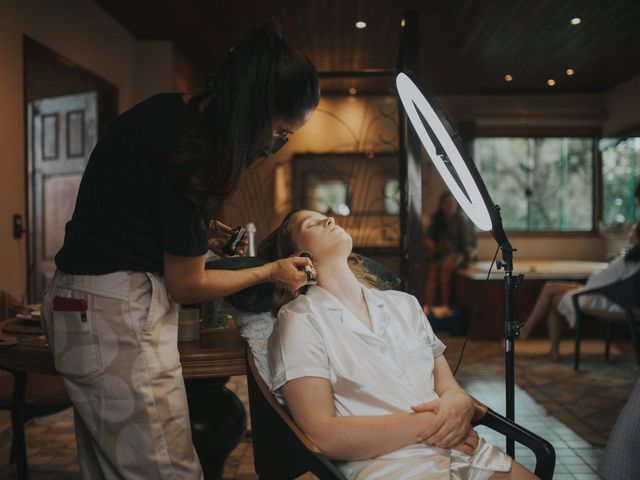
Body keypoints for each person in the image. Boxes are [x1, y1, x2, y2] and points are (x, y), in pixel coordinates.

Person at [39, 25, 320, 479]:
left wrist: (194, 235)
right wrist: (268, 272)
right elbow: (188, 283)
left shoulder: (173, 115)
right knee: (165, 469)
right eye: (278, 133)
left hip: (84, 304)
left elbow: (139, 216)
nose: (273, 146)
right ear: (256, 111)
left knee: (116, 468)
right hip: (110, 315)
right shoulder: (192, 151)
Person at [259, 210, 536, 480]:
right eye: (313, 223)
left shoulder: (405, 305)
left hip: (461, 451)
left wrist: (460, 406)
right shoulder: (300, 321)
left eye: (325, 216)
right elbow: (323, 434)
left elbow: (449, 389)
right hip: (389, 466)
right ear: (299, 259)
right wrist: (433, 424)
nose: (329, 219)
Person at [520, 222, 640, 361]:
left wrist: (599, 275)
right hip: (613, 295)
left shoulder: (626, 262)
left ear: (637, 236)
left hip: (605, 298)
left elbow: (596, 282)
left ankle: (537, 337)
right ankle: (531, 332)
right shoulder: (634, 262)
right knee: (550, 288)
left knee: (552, 296)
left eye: (633, 231)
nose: (630, 234)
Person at [424, 192, 476, 316]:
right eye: (447, 203)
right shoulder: (437, 219)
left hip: (459, 256)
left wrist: (461, 258)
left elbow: (466, 245)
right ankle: (428, 307)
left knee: (445, 269)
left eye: (452, 203)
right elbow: (428, 236)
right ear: (442, 205)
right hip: (441, 256)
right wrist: (430, 243)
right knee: (432, 273)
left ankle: (445, 305)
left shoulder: (460, 220)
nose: (450, 206)